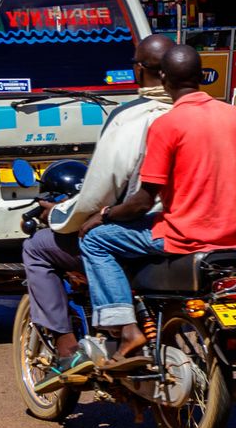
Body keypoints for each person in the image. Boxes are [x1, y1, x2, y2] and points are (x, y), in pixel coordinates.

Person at [78, 44, 236, 370]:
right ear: (202, 76)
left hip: (184, 237)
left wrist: (103, 216)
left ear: (162, 78)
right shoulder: (234, 116)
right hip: (235, 235)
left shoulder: (167, 124)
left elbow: (142, 201)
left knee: (95, 241)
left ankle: (126, 330)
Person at [25, 33, 176, 390]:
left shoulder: (132, 118)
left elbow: (101, 192)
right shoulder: (215, 113)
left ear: (139, 71)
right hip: (214, 230)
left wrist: (65, 216)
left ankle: (70, 349)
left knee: (43, 247)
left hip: (149, 228)